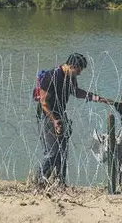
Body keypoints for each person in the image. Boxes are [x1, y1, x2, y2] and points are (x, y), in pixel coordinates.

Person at [36, 53, 101, 186]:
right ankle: (39, 179)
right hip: (47, 116)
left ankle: (60, 182)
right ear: (72, 66)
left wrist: (91, 96)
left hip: (61, 115)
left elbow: (75, 91)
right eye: (79, 70)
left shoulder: (70, 77)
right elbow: (43, 102)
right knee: (52, 152)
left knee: (63, 151)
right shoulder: (52, 76)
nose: (80, 73)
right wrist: (54, 121)